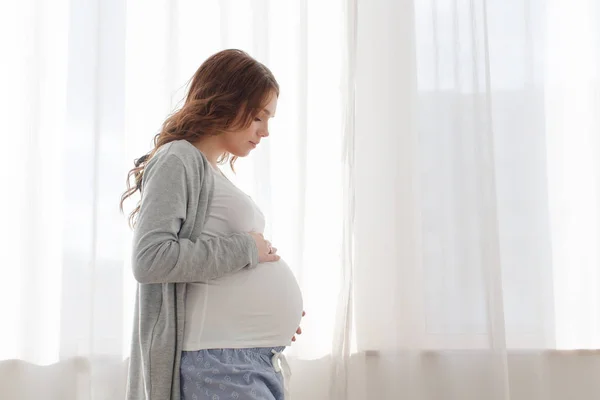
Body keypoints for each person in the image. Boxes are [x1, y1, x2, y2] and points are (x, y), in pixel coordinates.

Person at [120, 49, 304, 400]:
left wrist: (269, 319)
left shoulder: (211, 170)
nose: (264, 132)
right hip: (218, 362)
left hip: (248, 358)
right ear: (228, 102)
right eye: (258, 117)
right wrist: (248, 248)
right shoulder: (177, 159)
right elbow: (150, 259)